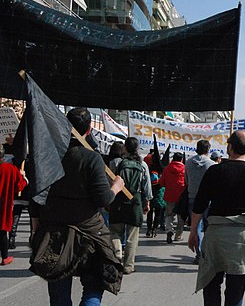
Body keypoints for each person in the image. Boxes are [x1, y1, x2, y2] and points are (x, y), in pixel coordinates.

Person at [32, 107, 125, 305]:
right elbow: (104, 199)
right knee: (93, 285)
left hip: (53, 232)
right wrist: (116, 188)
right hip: (88, 235)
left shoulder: (50, 155)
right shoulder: (91, 158)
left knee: (58, 289)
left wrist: (35, 229)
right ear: (89, 129)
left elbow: (36, 195)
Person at [187, 130, 245, 306]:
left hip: (217, 234)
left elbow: (199, 206)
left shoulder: (214, 171)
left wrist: (193, 232)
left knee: (211, 284)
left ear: (229, 147)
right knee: (236, 290)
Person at [108, 137, 152, 275]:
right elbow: (147, 186)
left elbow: (110, 181)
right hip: (135, 201)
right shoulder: (142, 165)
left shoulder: (116, 163)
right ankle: (128, 266)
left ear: (125, 148)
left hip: (118, 199)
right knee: (132, 236)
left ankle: (117, 255)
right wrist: (147, 201)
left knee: (115, 231)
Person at [185, 139, 215, 264]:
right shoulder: (212, 164)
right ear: (208, 149)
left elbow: (186, 180)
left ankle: (198, 254)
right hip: (208, 198)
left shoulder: (188, 162)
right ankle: (207, 253)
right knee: (209, 227)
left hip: (192, 195)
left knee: (195, 226)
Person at [0, 144, 27, 265]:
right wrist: (23, 177)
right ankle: (4, 257)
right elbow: (19, 186)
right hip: (3, 204)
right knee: (1, 231)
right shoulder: (9, 168)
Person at [159, 152, 186, 244]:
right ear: (181, 159)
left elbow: (161, 183)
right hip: (181, 196)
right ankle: (178, 236)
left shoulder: (167, 168)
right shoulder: (184, 169)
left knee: (169, 215)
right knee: (181, 217)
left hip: (169, 195)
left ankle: (169, 230)